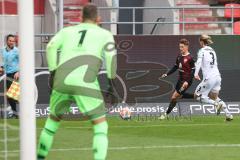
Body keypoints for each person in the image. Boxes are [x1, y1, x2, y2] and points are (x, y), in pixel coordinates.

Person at [37, 3, 117, 160]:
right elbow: (111, 57)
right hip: (84, 81)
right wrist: (111, 83)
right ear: (98, 19)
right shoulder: (104, 34)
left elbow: (51, 47)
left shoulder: (67, 31)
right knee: (100, 125)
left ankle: (40, 157)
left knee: (52, 122)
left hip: (62, 79)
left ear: (80, 18)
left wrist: (53, 73)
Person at [194, 34, 233, 121]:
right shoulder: (212, 50)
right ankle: (228, 115)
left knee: (197, 96)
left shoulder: (202, 50)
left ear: (201, 42)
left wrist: (196, 73)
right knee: (214, 97)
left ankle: (216, 104)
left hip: (209, 78)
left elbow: (200, 62)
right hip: (217, 77)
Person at [160, 39, 195, 119]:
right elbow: (175, 67)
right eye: (180, 47)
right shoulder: (179, 56)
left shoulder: (190, 58)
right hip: (180, 80)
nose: (180, 48)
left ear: (186, 47)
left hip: (186, 81)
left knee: (174, 97)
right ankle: (196, 96)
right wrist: (167, 74)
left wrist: (187, 81)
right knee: (176, 97)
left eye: (182, 47)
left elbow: (193, 71)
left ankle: (165, 114)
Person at [0, 34, 19, 118]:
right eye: (10, 41)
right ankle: (15, 113)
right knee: (10, 96)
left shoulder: (17, 51)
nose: (12, 42)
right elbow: (1, 61)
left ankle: (17, 113)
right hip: (7, 74)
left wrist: (18, 72)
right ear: (7, 41)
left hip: (16, 74)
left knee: (13, 94)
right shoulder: (2, 50)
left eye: (13, 41)